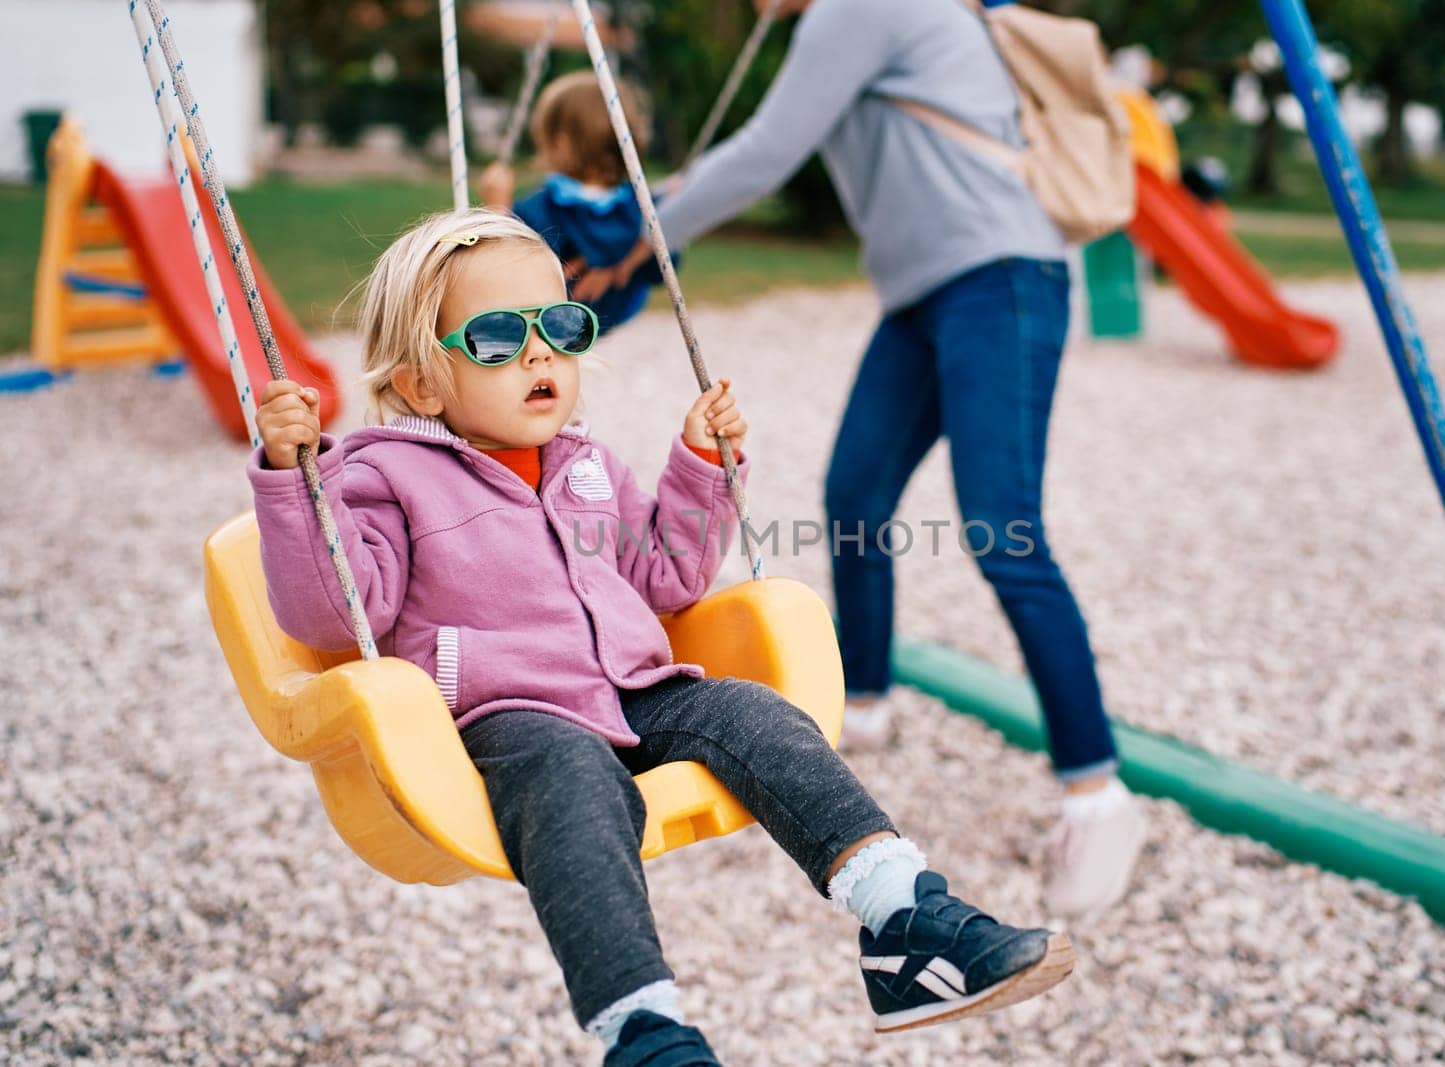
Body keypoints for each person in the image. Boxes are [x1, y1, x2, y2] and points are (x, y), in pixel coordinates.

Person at [248, 208, 1073, 1065]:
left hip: (637, 689)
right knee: (572, 774)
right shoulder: (387, 478)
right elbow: (335, 612)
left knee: (754, 711)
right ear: (422, 383)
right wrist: (296, 482)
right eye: (497, 337)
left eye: (559, 327)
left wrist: (699, 467)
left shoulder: (588, 463)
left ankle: (905, 920)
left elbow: (666, 578)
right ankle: (642, 1029)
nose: (540, 355)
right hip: (512, 718)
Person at [577, 0, 1146, 919]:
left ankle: (1100, 792)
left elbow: (766, 153)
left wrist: (637, 242)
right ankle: (869, 701)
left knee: (1005, 530)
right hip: (929, 293)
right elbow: (758, 146)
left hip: (998, 277)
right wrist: (637, 219)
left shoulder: (859, 4)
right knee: (855, 494)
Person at [479, 72, 665, 334]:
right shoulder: (642, 204)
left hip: (560, 317)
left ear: (561, 144)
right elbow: (666, 257)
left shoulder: (545, 209)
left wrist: (497, 208)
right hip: (621, 304)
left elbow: (511, 267)